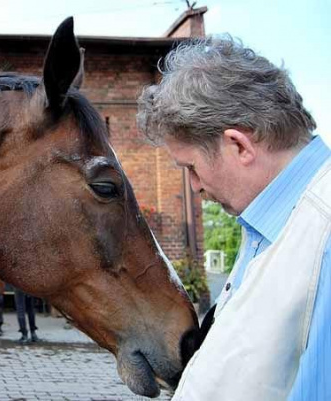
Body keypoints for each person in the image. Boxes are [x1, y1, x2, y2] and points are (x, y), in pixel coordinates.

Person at [137, 36, 330, 400]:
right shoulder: (272, 222)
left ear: (238, 145)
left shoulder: (323, 230)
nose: (194, 187)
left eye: (190, 167)